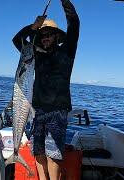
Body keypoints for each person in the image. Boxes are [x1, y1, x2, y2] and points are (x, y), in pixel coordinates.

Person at [12, 0, 79, 179]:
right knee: (38, 151)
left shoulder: (67, 51)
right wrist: (33, 27)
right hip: (38, 111)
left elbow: (74, 23)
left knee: (53, 154)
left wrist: (64, 1)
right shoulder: (36, 54)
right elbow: (17, 40)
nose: (45, 37)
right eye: (42, 35)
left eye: (49, 34)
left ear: (57, 37)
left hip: (57, 111)